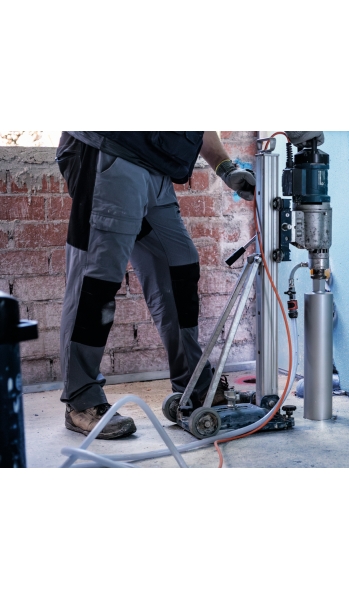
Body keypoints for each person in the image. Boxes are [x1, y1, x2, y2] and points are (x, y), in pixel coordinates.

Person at [56, 130, 323, 439]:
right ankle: (81, 400)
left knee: (179, 266)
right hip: (110, 152)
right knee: (96, 281)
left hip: (155, 167)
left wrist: (225, 167)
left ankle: (196, 387)